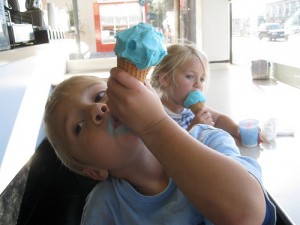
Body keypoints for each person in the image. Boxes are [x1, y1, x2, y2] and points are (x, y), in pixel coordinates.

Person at [43, 74, 275, 225]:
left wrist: (155, 125)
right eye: (78, 126)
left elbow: (247, 214)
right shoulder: (104, 208)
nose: (97, 109)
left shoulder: (208, 139)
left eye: (100, 95)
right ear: (94, 171)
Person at [151, 44, 259, 142]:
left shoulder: (190, 108)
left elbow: (218, 119)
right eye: (190, 76)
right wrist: (193, 129)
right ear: (165, 79)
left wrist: (237, 129)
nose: (198, 84)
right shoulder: (159, 114)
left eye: (202, 79)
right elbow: (169, 151)